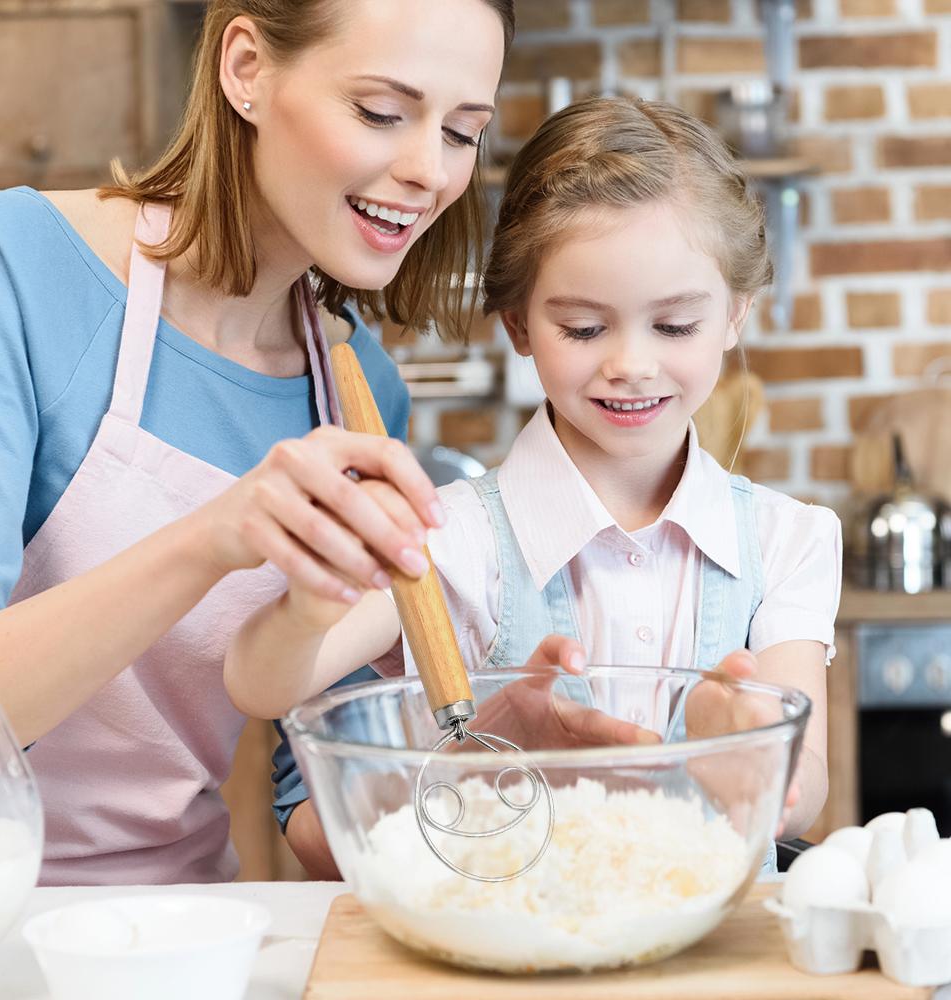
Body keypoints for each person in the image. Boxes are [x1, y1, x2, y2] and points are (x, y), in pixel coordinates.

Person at [0, 0, 517, 885]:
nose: (427, 171)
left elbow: (313, 807)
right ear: (246, 68)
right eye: (381, 113)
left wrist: (508, 761)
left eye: (462, 131)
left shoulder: (361, 398)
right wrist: (216, 535)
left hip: (185, 927)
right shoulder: (2, 269)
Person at [229, 96, 841, 876]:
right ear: (518, 324)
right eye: (584, 328)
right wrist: (313, 603)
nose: (631, 363)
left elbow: (809, 789)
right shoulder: (448, 537)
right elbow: (256, 682)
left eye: (675, 326)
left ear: (735, 316)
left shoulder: (787, 540)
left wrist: (750, 748)